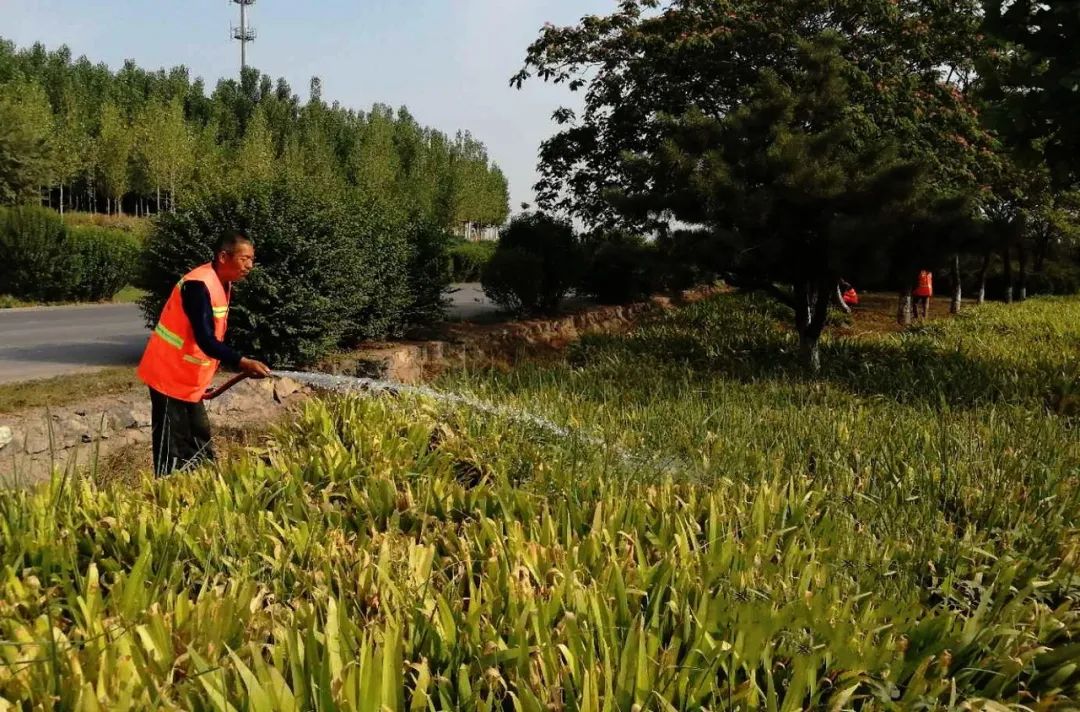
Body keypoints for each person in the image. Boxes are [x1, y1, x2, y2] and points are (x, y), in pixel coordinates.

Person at [137, 232, 272, 476]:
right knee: (173, 447)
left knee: (199, 439)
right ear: (223, 256)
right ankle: (169, 500)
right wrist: (242, 361)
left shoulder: (221, 282)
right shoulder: (198, 286)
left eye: (252, 259)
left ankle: (205, 488)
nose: (250, 266)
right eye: (245, 259)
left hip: (187, 379)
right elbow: (206, 340)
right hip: (168, 376)